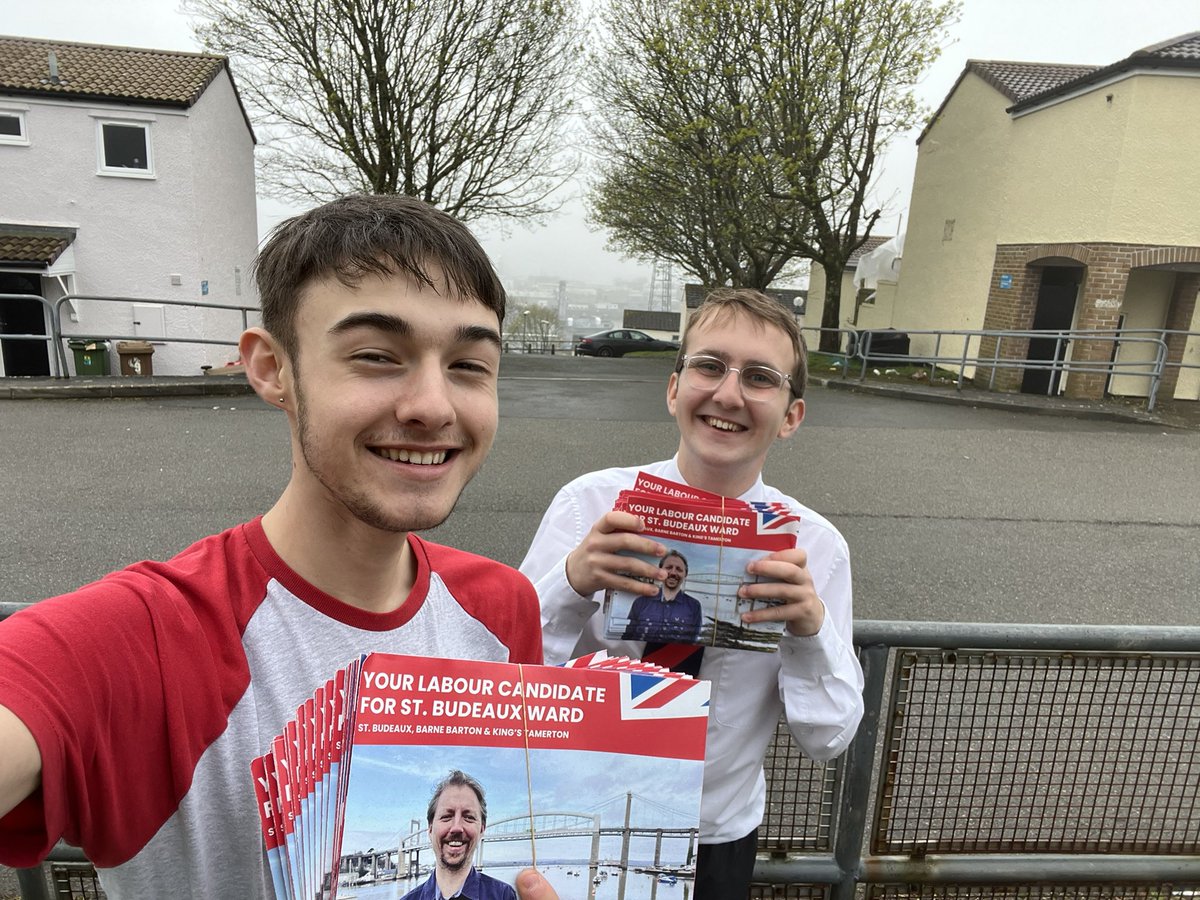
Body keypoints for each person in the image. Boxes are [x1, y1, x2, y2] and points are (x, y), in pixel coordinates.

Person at [0, 195, 557, 900]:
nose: (433, 406)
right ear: (270, 369)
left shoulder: (502, 608)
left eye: (469, 365)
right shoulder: (143, 638)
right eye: (377, 356)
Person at [521, 288, 865, 899]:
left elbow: (829, 739)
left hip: (716, 838)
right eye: (710, 366)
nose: (728, 394)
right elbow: (507, 681)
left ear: (791, 415)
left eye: (760, 377)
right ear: (674, 387)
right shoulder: (589, 505)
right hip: (578, 812)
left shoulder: (814, 547)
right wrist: (572, 583)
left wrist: (810, 633)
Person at [402, 770, 516, 900]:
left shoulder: (504, 895)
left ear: (481, 830)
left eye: (468, 817)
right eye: (446, 817)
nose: (456, 828)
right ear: (430, 829)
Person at [621, 550, 702, 643]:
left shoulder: (694, 606)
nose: (673, 573)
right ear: (660, 571)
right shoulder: (640, 602)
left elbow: (693, 643)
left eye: (679, 569)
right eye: (669, 567)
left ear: (685, 574)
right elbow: (627, 637)